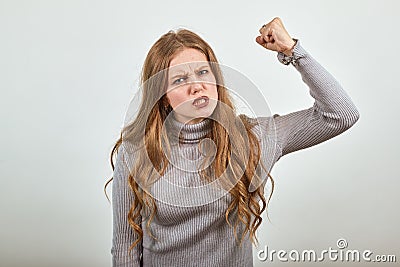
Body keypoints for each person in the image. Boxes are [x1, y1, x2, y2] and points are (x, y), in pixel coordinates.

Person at [106, 17, 360, 267]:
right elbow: (125, 248)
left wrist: (292, 51)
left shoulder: (251, 138)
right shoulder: (136, 150)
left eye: (203, 72)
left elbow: (340, 115)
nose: (197, 86)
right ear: (162, 96)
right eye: (180, 79)